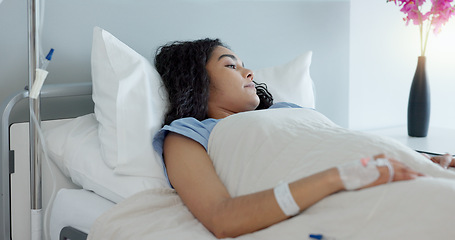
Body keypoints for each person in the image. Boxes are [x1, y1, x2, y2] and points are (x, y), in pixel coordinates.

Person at [152, 38, 424, 239]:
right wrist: (339, 176)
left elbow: (342, 143)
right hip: (348, 190)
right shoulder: (189, 133)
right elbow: (221, 217)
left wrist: (418, 159)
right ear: (197, 80)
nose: (249, 73)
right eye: (231, 66)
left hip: (397, 174)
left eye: (244, 66)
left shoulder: (288, 111)